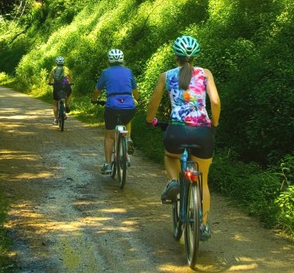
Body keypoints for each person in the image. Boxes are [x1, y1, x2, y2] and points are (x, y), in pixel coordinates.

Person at [145, 35, 220, 241]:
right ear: (195, 56)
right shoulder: (205, 74)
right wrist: (214, 124)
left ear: (175, 56)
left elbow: (153, 103)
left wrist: (150, 120)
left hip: (176, 131)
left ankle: (173, 182)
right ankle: (202, 225)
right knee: (203, 180)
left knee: (171, 157)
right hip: (202, 132)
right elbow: (214, 101)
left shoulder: (166, 76)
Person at [91, 49, 139, 175]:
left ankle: (107, 164)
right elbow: (135, 89)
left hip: (112, 106)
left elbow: (97, 90)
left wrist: (94, 100)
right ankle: (127, 138)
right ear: (122, 60)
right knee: (127, 119)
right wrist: (135, 100)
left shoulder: (106, 73)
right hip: (129, 105)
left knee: (109, 135)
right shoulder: (128, 71)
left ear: (109, 61)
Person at [47, 56, 73, 124]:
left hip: (56, 86)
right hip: (65, 85)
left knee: (55, 103)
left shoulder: (54, 69)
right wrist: (70, 82)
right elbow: (70, 77)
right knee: (69, 93)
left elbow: (50, 77)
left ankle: (55, 119)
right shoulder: (66, 68)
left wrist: (50, 83)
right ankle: (66, 104)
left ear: (56, 62)